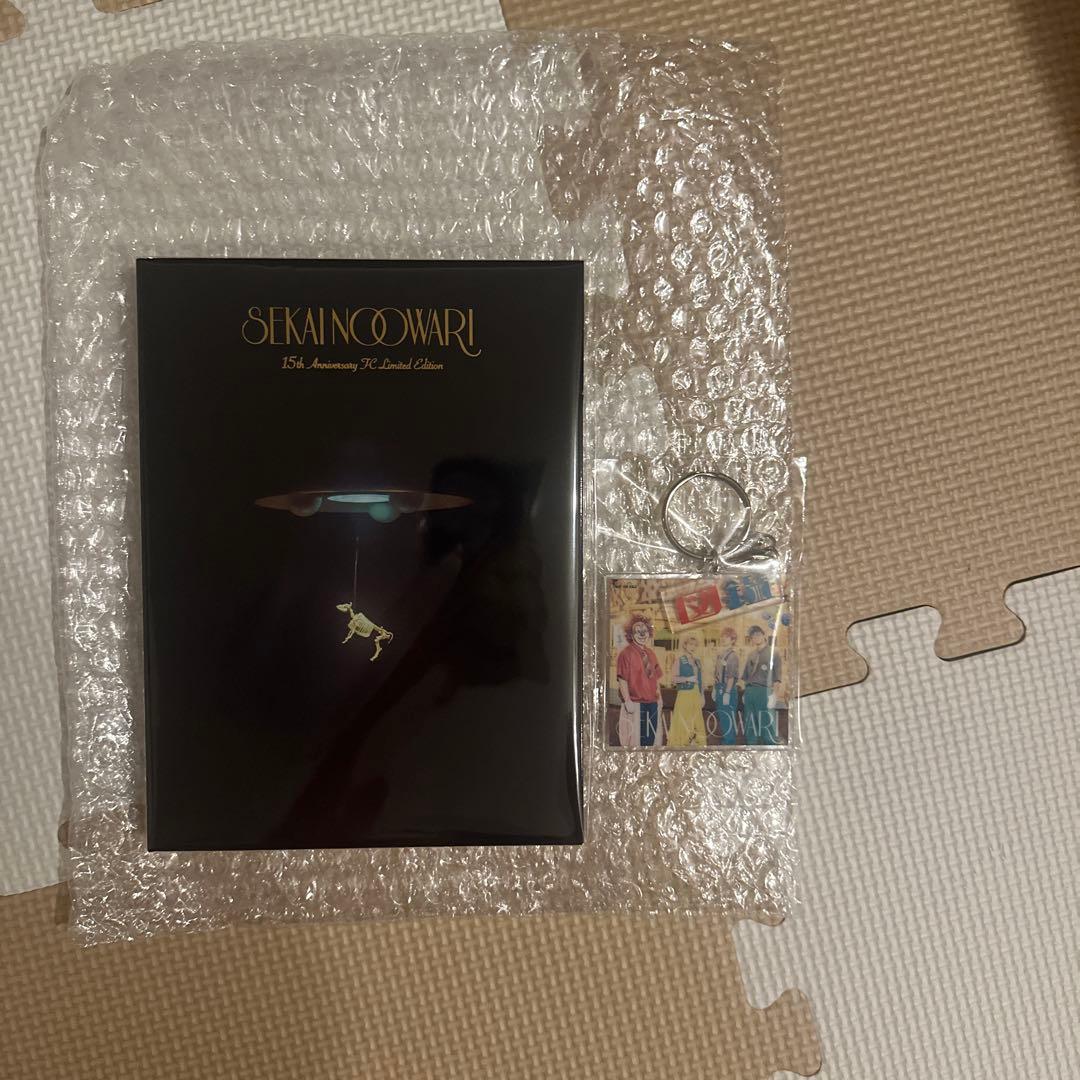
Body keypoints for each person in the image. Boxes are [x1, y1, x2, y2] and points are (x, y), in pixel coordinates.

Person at [616, 613, 663, 747]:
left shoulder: (651, 653)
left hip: (652, 703)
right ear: (631, 634)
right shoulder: (625, 654)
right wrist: (627, 700)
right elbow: (622, 679)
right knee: (636, 741)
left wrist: (659, 698)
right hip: (636, 703)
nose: (642, 635)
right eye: (638, 632)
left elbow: (656, 678)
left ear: (649, 633)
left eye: (645, 631)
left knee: (650, 739)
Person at [741, 624, 781, 745]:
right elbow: (746, 677)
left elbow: (777, 678)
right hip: (750, 691)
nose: (756, 637)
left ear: (764, 635)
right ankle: (751, 746)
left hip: (764, 691)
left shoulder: (774, 653)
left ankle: (770, 748)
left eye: (758, 634)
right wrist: (745, 693)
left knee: (766, 722)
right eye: (753, 636)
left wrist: (774, 695)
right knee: (749, 722)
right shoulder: (751, 655)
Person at [667, 633, 706, 747]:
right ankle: (680, 747)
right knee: (683, 721)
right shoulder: (679, 660)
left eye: (695, 645)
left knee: (696, 722)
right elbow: (673, 679)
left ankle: (696, 749)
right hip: (684, 695)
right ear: (685, 645)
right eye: (690, 644)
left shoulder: (698, 661)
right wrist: (687, 679)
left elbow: (701, 680)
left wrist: (702, 696)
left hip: (696, 694)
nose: (692, 647)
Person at [713, 626, 740, 745]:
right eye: (723, 636)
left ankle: (729, 743)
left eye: (727, 637)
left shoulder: (732, 656)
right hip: (719, 688)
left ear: (733, 640)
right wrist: (715, 689)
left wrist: (727, 693)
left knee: (727, 718)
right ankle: (726, 742)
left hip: (727, 689)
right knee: (723, 718)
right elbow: (717, 673)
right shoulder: (721, 655)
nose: (723, 638)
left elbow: (731, 676)